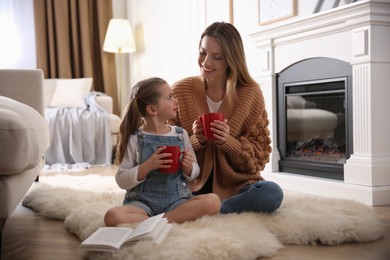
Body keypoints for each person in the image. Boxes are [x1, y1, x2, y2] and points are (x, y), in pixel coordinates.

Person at [170, 22, 283, 214]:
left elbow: (259, 159)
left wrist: (227, 142)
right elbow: (165, 146)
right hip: (189, 184)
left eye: (217, 57)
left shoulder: (250, 94)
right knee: (157, 191)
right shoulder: (179, 90)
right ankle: (202, 207)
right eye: (203, 52)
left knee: (272, 193)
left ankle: (214, 210)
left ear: (231, 59)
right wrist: (197, 140)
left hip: (236, 187)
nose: (206, 62)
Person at [104, 77, 221, 226]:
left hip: (177, 201)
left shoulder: (181, 134)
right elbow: (121, 179)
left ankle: (159, 221)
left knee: (213, 202)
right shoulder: (136, 138)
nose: (175, 101)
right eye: (170, 97)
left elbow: (195, 171)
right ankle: (170, 220)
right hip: (142, 204)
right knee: (112, 216)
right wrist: (147, 166)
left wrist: (188, 167)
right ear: (152, 109)